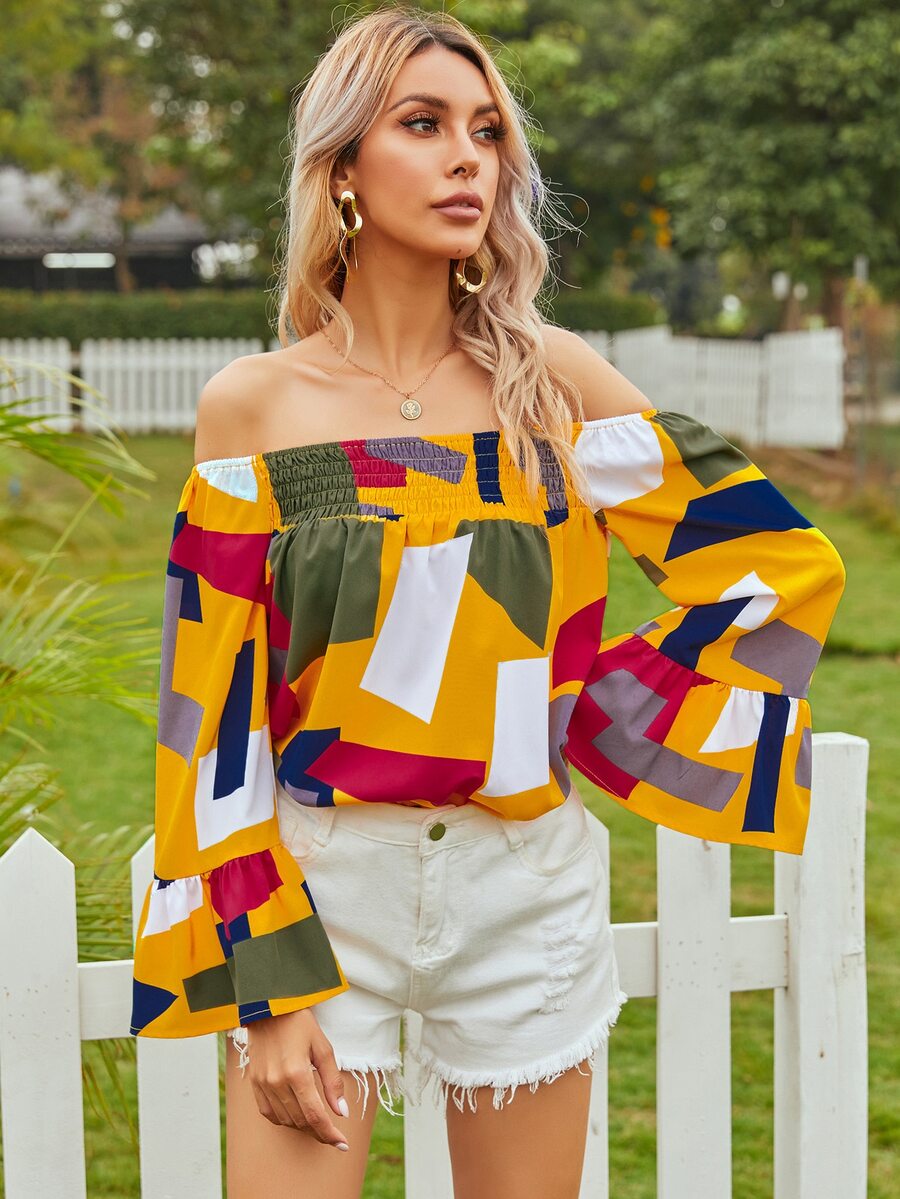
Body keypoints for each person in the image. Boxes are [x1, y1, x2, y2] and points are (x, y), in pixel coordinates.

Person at [129, 7, 847, 1197]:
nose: (469, 158)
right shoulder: (256, 405)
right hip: (323, 880)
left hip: (525, 886)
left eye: (488, 132)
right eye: (424, 124)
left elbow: (770, 561)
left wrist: (594, 716)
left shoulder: (553, 385)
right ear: (343, 166)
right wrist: (266, 983)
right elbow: (209, 716)